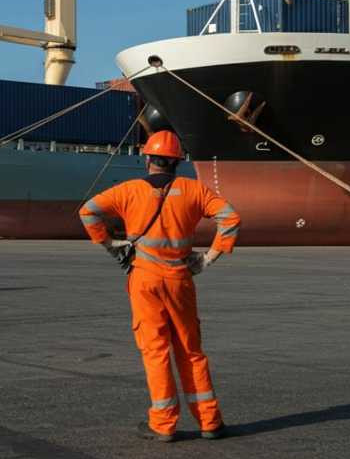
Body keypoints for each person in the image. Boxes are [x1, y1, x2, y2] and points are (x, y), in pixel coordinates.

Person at [79, 130, 240, 443]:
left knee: (156, 352)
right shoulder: (195, 190)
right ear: (178, 162)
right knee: (191, 351)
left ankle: (163, 424)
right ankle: (210, 422)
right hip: (180, 279)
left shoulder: (128, 191)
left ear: (148, 158)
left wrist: (112, 244)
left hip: (144, 279)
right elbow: (231, 218)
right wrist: (208, 258)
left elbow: (87, 212)